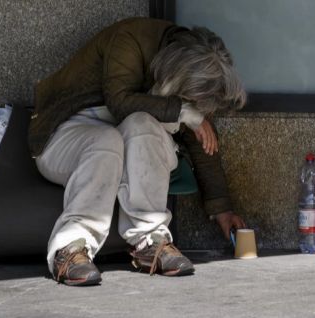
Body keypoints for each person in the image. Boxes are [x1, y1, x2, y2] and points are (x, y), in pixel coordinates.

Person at [29, 18, 247, 286]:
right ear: (175, 78)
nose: (191, 110)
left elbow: (202, 138)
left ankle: (151, 241)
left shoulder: (186, 68)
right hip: (65, 137)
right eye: (188, 102)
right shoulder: (130, 40)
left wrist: (221, 207)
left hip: (124, 142)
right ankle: (70, 247)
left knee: (143, 123)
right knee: (106, 140)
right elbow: (120, 101)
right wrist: (182, 111)